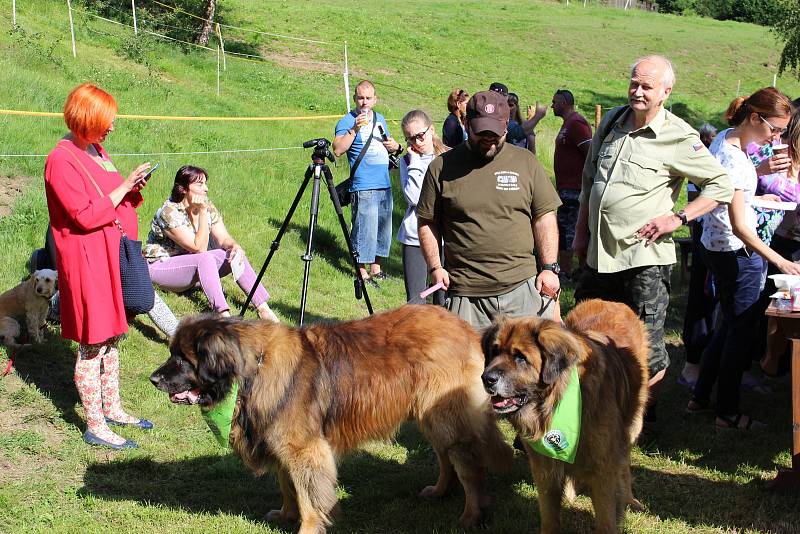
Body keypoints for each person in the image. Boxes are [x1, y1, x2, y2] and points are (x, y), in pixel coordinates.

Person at [572, 55, 734, 431]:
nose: (638, 91)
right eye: (634, 83)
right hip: (600, 254)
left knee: (646, 346)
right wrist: (581, 232)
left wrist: (677, 218)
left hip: (643, 259)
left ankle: (641, 419)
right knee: (582, 334)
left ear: (666, 92)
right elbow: (587, 181)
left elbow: (721, 185)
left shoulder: (678, 135)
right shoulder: (612, 121)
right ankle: (584, 410)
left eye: (647, 86)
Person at [44, 83, 154, 450]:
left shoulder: (95, 150)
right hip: (86, 259)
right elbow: (85, 215)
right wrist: (123, 185)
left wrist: (132, 187)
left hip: (110, 257)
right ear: (86, 119)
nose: (112, 128)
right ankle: (95, 424)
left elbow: (113, 200)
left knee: (112, 335)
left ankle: (114, 409)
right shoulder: (61, 159)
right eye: (106, 121)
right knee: (93, 341)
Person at [688, 88, 800, 430]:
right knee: (741, 330)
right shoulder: (735, 159)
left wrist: (760, 171)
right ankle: (728, 411)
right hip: (740, 254)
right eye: (775, 130)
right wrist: (780, 263)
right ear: (755, 118)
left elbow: (735, 192)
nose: (778, 137)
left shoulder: (726, 139)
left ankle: (701, 395)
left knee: (727, 324)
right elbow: (740, 227)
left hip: (715, 248)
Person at [417, 90, 562, 329]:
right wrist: (435, 267)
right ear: (465, 123)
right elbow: (427, 221)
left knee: (533, 364)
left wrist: (549, 268)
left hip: (522, 291)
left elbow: (544, 216)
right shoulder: (441, 168)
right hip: (465, 297)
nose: (489, 138)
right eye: (481, 132)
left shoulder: (526, 162)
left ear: (507, 124)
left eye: (496, 132)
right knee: (467, 367)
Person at [145, 165, 278, 322]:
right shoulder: (169, 212)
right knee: (205, 257)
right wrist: (200, 212)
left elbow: (223, 239)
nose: (206, 189)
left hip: (191, 266)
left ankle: (263, 307)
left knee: (233, 253)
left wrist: (234, 246)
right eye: (200, 184)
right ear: (183, 189)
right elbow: (199, 248)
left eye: (205, 184)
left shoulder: (207, 204)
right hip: (161, 267)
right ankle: (223, 315)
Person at [333, 80, 400, 287]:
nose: (364, 102)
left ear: (375, 99)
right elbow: (337, 149)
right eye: (360, 98)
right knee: (364, 231)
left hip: (384, 183)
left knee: (382, 230)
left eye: (368, 98)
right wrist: (354, 129)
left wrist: (395, 146)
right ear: (355, 99)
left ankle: (376, 269)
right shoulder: (346, 121)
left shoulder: (380, 118)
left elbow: (387, 143)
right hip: (363, 185)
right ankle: (362, 273)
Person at [679, 122, 720, 389]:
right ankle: (692, 363)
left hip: (717, 236)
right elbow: (695, 199)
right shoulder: (706, 157)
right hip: (706, 234)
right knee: (701, 296)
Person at [397, 110, 448, 305]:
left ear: (431, 130)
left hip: (445, 237)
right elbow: (415, 198)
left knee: (444, 301)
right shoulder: (408, 161)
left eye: (420, 135)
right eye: (410, 139)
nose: (417, 142)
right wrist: (416, 163)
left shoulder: (448, 157)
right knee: (415, 302)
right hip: (414, 237)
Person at [551, 89, 592, 280]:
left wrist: (585, 181)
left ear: (565, 103)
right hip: (566, 188)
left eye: (555, 102)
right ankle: (570, 270)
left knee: (570, 230)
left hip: (575, 189)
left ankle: (573, 271)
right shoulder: (568, 123)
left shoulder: (576, 123)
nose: (552, 106)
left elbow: (590, 153)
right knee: (565, 228)